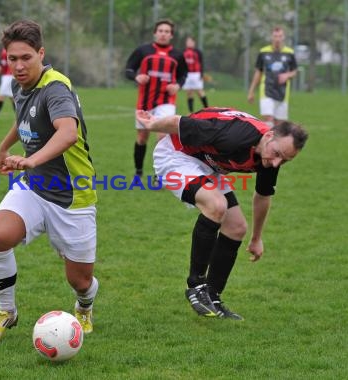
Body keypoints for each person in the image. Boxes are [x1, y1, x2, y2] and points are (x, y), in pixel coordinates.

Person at [0, 19, 99, 342]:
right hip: (33, 186)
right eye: (12, 58)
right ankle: (7, 311)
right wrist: (4, 147)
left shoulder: (55, 88)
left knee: (80, 281)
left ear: (41, 54)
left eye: (26, 58)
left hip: (72, 195)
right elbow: (24, 120)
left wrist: (30, 158)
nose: (18, 66)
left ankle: (84, 307)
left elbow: (68, 132)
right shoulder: (22, 86)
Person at [136, 106, 308, 320]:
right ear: (269, 135)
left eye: (285, 160)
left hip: (208, 165)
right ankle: (196, 286)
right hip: (175, 155)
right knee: (216, 205)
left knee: (236, 227)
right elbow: (180, 123)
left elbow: (263, 196)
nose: (276, 163)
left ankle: (213, 297)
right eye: (277, 155)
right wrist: (152, 124)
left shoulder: (270, 154)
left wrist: (256, 238)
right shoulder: (234, 134)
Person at [125, 19, 188, 182]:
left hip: (166, 101)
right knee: (142, 138)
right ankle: (138, 173)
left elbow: (183, 75)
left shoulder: (177, 55)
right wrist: (136, 77)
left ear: (171, 35)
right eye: (160, 30)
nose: (163, 34)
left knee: (162, 137)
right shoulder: (143, 51)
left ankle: (159, 175)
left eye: (167, 31)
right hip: (145, 102)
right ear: (155, 33)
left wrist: (177, 85)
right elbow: (129, 69)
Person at [247, 26, 298, 127]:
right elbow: (258, 72)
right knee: (268, 121)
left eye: (280, 36)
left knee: (280, 126)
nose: (277, 39)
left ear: (283, 37)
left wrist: (287, 75)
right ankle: (267, 142)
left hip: (283, 93)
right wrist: (251, 91)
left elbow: (294, 71)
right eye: (275, 36)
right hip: (266, 91)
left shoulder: (289, 53)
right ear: (271, 37)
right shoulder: (263, 52)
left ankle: (275, 142)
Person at [182, 36, 209, 113]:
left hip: (196, 74)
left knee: (200, 91)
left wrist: (201, 74)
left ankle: (207, 109)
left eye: (190, 41)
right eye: (187, 41)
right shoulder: (183, 52)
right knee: (189, 92)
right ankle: (191, 112)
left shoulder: (198, 52)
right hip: (187, 74)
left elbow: (201, 63)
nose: (189, 43)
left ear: (194, 43)